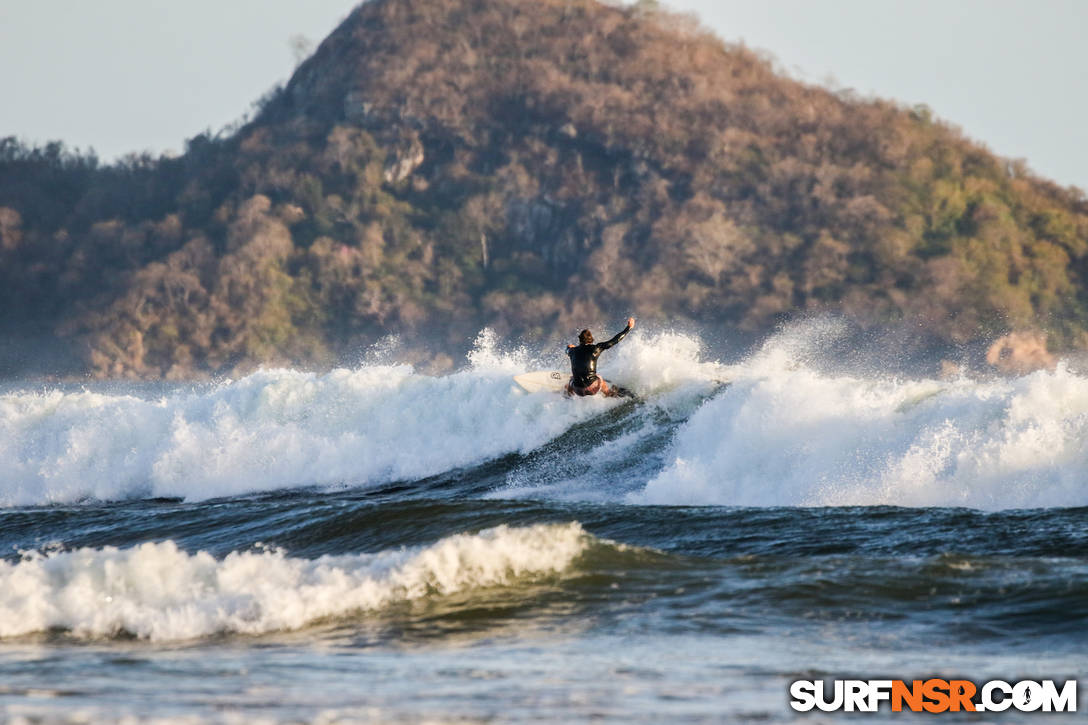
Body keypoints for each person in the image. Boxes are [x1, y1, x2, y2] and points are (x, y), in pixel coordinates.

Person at [565, 317, 636, 398]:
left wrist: (569, 348)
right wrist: (629, 328)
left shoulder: (572, 351)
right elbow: (615, 340)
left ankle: (568, 395)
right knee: (599, 378)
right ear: (591, 340)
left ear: (580, 340)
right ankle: (611, 394)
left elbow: (567, 349)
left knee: (571, 380)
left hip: (578, 390)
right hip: (593, 387)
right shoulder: (597, 348)